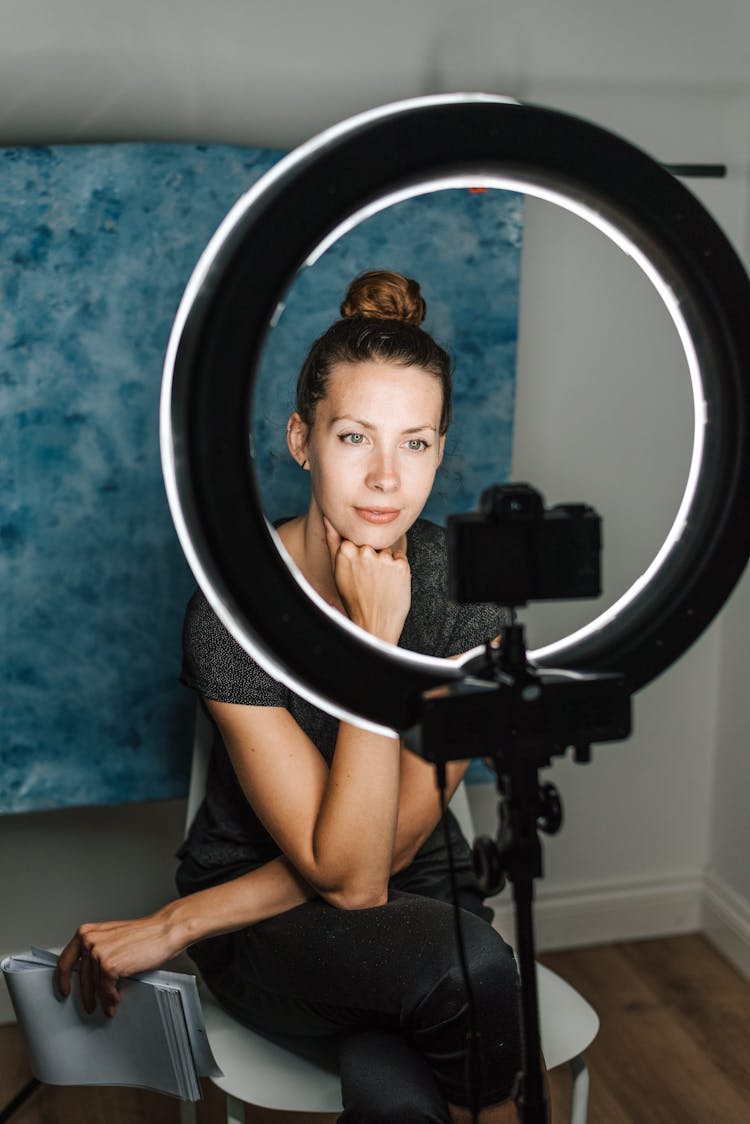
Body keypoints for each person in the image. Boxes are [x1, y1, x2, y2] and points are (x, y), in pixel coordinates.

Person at [57, 270, 523, 1123]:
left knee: (400, 1087)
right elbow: (347, 880)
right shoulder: (233, 610)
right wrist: (377, 647)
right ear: (301, 439)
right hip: (267, 923)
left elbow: (391, 849)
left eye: (415, 443)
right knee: (473, 975)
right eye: (355, 437)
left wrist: (169, 926)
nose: (386, 478)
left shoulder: (464, 596)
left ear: (442, 452)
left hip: (420, 894)